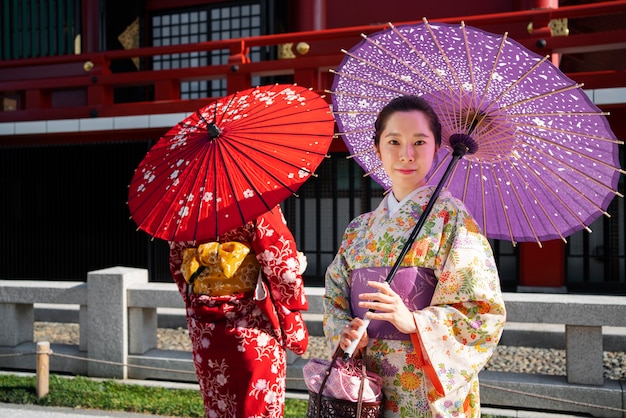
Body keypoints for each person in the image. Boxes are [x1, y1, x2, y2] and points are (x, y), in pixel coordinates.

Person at [323, 95, 506, 417]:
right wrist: (345, 331)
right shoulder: (359, 228)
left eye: (419, 142)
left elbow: (482, 310)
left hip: (424, 380)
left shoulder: (452, 219)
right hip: (365, 381)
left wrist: (415, 322)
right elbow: (335, 296)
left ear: (437, 149)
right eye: (394, 141)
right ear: (377, 148)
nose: (406, 154)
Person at [169, 204, 309, 418]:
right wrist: (297, 265)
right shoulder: (255, 203)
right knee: (258, 409)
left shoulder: (185, 208)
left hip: (206, 328)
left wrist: (205, 299)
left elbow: (180, 268)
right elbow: (284, 272)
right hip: (253, 325)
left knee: (218, 406)